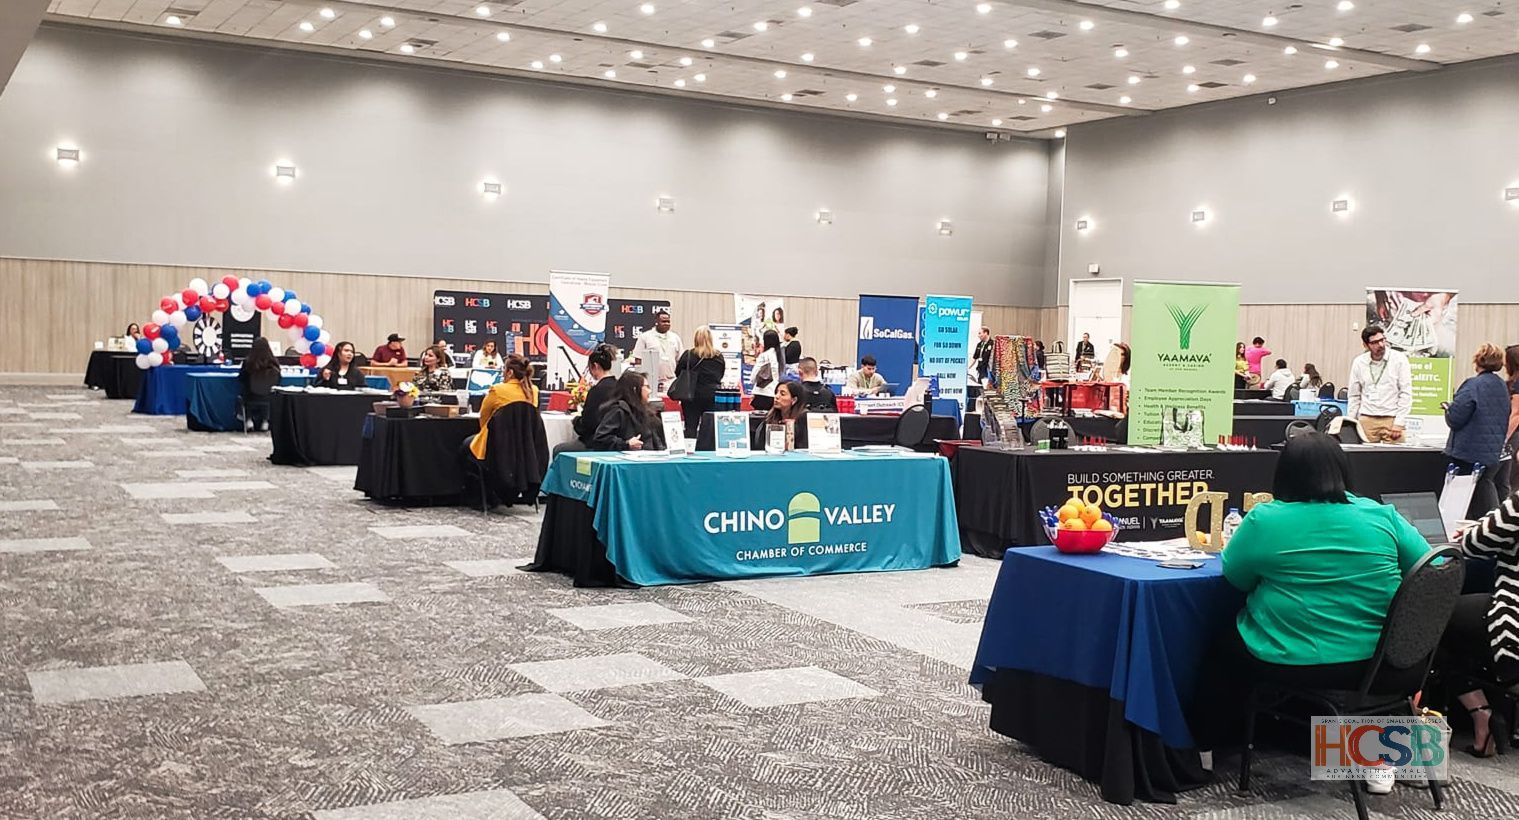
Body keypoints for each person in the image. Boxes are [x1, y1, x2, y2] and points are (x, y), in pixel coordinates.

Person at [1189, 433, 1430, 790]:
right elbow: (1430, 567)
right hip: (1383, 664)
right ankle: (1378, 760)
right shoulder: (1382, 516)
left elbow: (1235, 577)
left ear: (1283, 473)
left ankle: (1202, 749)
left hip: (1290, 658)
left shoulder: (1266, 519)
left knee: (1220, 645)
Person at [1443, 488, 1519, 758]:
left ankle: (1480, 714)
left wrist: (1473, 531)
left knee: (1434, 620)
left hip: (1514, 623)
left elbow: (1474, 543)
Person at [1444, 343, 1510, 519]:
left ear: (1478, 361)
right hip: (1493, 451)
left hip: (1468, 452)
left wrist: (1448, 409)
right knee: (1486, 487)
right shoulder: (1502, 386)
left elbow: (1456, 418)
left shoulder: (1472, 385)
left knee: (1465, 499)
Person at [1347, 325, 1412, 443]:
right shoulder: (1359, 362)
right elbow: (1354, 395)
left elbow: (1405, 392)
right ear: (1366, 345)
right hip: (1366, 418)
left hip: (1391, 419)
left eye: (1382, 340)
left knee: (1398, 459)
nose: (1381, 345)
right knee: (1365, 459)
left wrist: (1399, 422)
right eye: (1375, 342)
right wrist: (1351, 421)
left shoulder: (1399, 359)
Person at [470, 355, 539, 459]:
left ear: (510, 372)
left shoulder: (497, 390)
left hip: (498, 442)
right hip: (525, 443)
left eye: (504, 369)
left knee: (466, 446)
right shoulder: (534, 390)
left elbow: (484, 418)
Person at [591, 371, 665, 451]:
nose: (649, 391)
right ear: (635, 389)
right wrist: (625, 444)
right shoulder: (618, 411)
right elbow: (601, 438)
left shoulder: (646, 412)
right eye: (646, 387)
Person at [675, 327, 727, 438]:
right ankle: (707, 449)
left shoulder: (688, 354)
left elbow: (678, 372)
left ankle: (690, 448)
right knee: (709, 426)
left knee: (690, 426)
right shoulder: (718, 356)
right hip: (712, 395)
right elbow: (720, 374)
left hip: (691, 395)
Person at [570, 344, 618, 450]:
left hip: (597, 442)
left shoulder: (596, 391)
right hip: (616, 439)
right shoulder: (620, 386)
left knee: (559, 450)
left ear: (595, 366)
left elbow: (588, 423)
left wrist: (576, 421)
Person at [631, 310, 681, 394]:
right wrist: (641, 380)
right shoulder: (645, 337)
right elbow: (638, 360)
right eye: (663, 321)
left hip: (671, 381)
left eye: (668, 322)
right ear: (656, 322)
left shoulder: (675, 338)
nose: (666, 324)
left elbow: (680, 359)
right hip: (650, 381)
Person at [237, 337, 281, 431]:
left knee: (243, 393)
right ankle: (266, 421)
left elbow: (241, 378)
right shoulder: (274, 363)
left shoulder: (248, 362)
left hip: (251, 397)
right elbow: (278, 380)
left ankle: (248, 420)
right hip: (269, 397)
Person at [753, 381, 808, 450]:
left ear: (794, 400)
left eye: (782, 394)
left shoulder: (804, 419)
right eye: (776, 393)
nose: (776, 396)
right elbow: (761, 445)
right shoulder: (770, 418)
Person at [751, 330, 784, 411]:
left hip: (762, 392)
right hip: (774, 391)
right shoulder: (779, 355)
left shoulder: (764, 356)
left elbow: (755, 373)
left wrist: (752, 381)